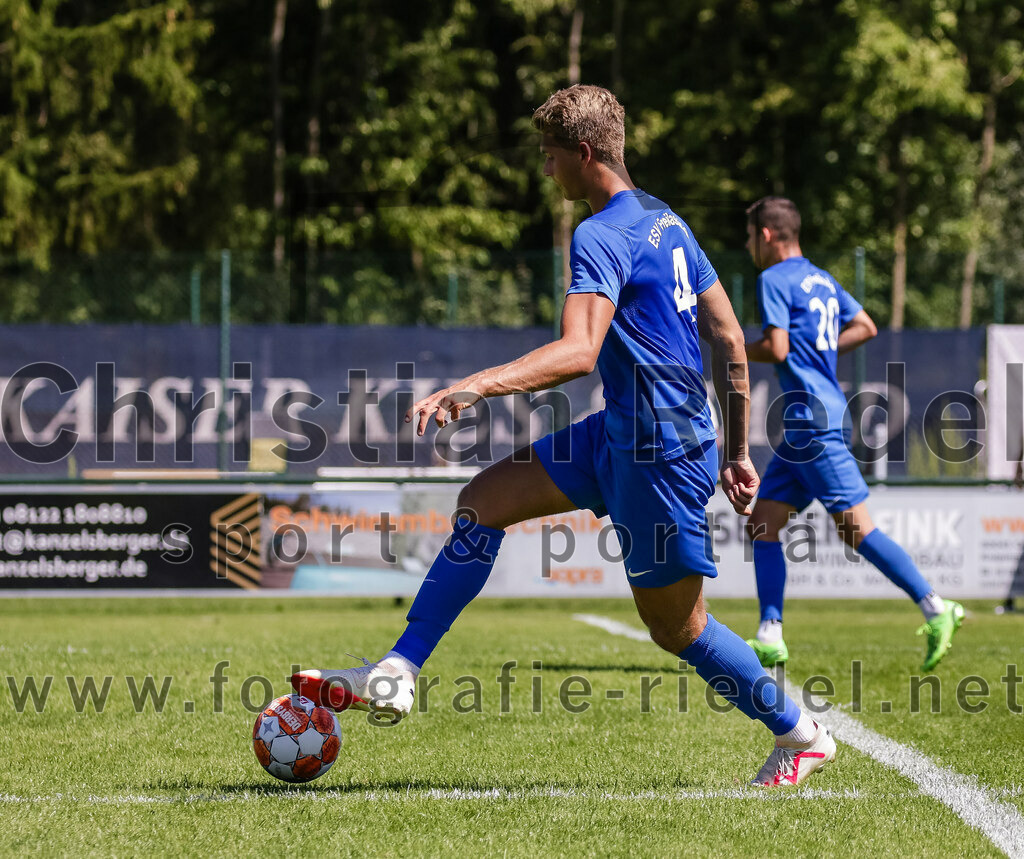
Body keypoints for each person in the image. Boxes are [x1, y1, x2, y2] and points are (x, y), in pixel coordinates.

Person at [294, 87, 835, 787]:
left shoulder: (601, 232)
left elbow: (580, 350)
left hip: (660, 456)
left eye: (550, 158)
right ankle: (397, 669)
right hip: (624, 433)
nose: (546, 172)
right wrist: (734, 450)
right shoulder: (666, 221)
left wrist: (478, 384)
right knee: (481, 499)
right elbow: (730, 338)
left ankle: (801, 733)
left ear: (583, 154)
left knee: (680, 628)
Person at [743, 196, 964, 671]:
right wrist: (819, 347)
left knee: (858, 530)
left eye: (748, 237)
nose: (747, 247)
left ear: (765, 235)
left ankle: (936, 606)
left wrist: (733, 350)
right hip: (812, 422)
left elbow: (778, 347)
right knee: (763, 522)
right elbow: (865, 325)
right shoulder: (822, 280)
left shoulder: (773, 279)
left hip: (813, 422)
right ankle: (770, 632)